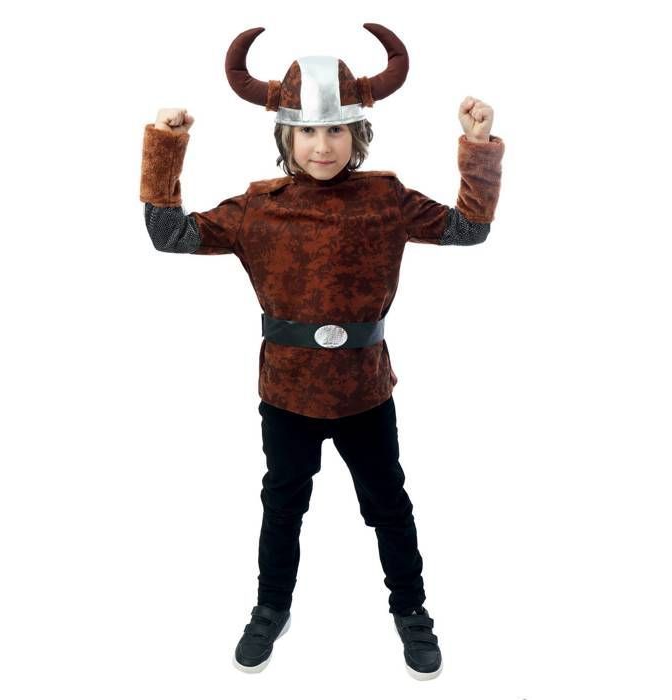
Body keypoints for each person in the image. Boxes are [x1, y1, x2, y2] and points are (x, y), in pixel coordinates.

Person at [139, 23, 504, 681]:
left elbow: (468, 229)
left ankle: (411, 610)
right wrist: (166, 145)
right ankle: (270, 608)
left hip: (365, 392)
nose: (322, 144)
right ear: (286, 136)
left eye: (335, 130)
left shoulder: (386, 200)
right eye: (308, 131)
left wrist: (476, 145)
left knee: (388, 504)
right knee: (282, 505)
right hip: (288, 394)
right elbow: (169, 234)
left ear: (357, 133)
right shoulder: (259, 208)